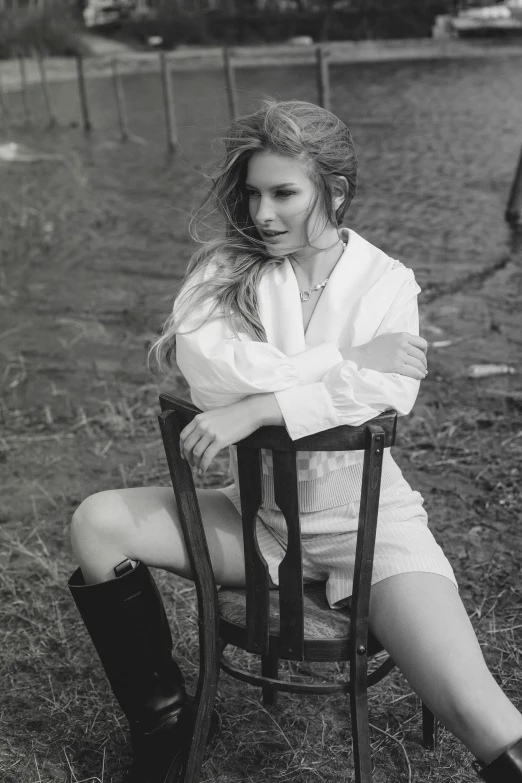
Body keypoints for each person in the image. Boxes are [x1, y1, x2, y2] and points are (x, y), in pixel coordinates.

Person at [68, 99, 522, 783]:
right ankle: (168, 724)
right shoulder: (225, 272)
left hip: (372, 528)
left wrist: (268, 405)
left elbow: (388, 393)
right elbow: (213, 376)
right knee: (95, 522)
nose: (262, 213)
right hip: (258, 520)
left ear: (333, 191)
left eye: (284, 192)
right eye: (253, 193)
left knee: (487, 718)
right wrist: (336, 367)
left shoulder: (388, 283)